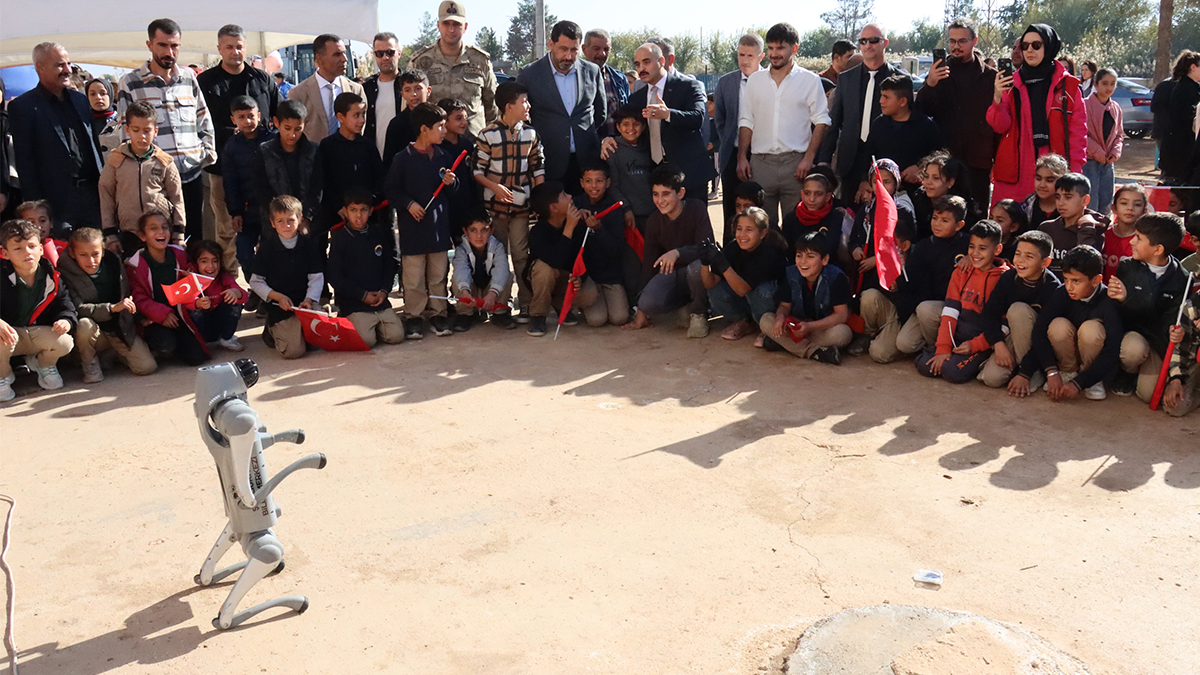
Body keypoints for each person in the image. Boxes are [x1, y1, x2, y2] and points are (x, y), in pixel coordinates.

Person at [116, 19, 217, 239]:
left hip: (191, 176)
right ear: (150, 45)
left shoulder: (189, 78)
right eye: (162, 45)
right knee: (161, 242)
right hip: (157, 182)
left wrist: (207, 154)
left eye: (174, 46)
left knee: (194, 240)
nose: (169, 52)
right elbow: (126, 133)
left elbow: (203, 119)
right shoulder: (131, 82)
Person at [197, 24, 280, 276]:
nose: (235, 52)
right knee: (227, 229)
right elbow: (197, 124)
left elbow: (278, 115)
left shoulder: (262, 79)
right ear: (219, 49)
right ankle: (230, 281)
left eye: (239, 47)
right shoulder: (205, 83)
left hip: (265, 170)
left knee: (269, 228)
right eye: (229, 47)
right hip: (224, 169)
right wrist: (228, 133)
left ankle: (267, 281)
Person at [856, 193, 969, 363]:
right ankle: (875, 335)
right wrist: (897, 282)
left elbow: (990, 252)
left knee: (920, 320)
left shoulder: (968, 245)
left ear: (959, 225)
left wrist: (970, 257)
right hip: (915, 308)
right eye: (935, 218)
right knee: (889, 349)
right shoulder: (923, 248)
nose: (937, 224)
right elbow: (912, 288)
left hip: (948, 307)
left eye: (945, 220)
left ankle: (935, 347)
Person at [737, 23, 830, 229]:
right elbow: (746, 121)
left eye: (780, 48)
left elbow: (821, 121)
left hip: (796, 166)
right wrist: (742, 157)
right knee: (762, 229)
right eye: (771, 48)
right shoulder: (755, 81)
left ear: (794, 48)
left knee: (796, 227)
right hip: (760, 165)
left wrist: (808, 159)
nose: (774, 54)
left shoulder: (810, 80)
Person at [9, 42, 105, 230]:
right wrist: (37, 209)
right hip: (56, 202)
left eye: (69, 64)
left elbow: (93, 146)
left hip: (92, 196)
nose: (67, 70)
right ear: (40, 67)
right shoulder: (23, 107)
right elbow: (25, 162)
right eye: (60, 65)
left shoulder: (80, 100)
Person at [987, 24, 1086, 206]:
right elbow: (999, 126)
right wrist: (998, 98)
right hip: (1016, 170)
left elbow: (1078, 134)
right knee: (1009, 220)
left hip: (1054, 171)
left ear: (1049, 46)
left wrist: (1074, 175)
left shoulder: (1068, 86)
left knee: (1052, 220)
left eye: (1036, 45)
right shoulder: (1011, 83)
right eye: (1025, 46)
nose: (1029, 50)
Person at [384, 102, 458, 339]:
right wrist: (409, 204)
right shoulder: (402, 159)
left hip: (438, 230)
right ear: (424, 129)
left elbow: (454, 191)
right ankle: (413, 316)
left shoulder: (444, 156)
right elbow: (392, 190)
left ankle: (438, 313)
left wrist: (451, 183)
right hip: (413, 231)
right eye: (440, 126)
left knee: (438, 276)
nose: (444, 131)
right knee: (413, 278)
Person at [474, 81, 546, 320]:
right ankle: (500, 305)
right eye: (524, 101)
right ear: (508, 106)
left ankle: (525, 302)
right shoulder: (487, 135)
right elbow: (477, 171)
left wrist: (539, 199)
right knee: (498, 256)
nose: (528, 106)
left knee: (521, 254)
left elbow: (537, 167)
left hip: (521, 207)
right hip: (494, 209)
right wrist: (495, 187)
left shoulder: (531, 134)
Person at [914, 18, 998, 211]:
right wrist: (931, 84)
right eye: (952, 41)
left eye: (962, 41)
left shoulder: (990, 77)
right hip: (945, 162)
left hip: (978, 162)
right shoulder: (939, 74)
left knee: (976, 215)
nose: (956, 46)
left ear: (974, 41)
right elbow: (921, 112)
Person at [817, 23, 908, 199]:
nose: (867, 45)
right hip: (849, 163)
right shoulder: (846, 78)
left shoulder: (900, 79)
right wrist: (824, 160)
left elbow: (906, 124)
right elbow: (834, 122)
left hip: (885, 163)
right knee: (848, 213)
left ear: (885, 43)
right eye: (863, 41)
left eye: (873, 40)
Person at [612, 43, 713, 198]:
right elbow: (630, 129)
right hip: (654, 175)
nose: (641, 69)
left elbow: (697, 118)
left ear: (662, 61)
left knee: (693, 214)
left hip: (689, 174)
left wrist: (668, 114)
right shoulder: (636, 98)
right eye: (637, 64)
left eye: (646, 62)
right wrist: (609, 140)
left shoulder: (688, 86)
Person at [1107, 213, 1191, 400]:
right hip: (1131, 336)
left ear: (1158, 249)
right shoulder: (1127, 266)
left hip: (1157, 341)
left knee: (1149, 394)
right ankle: (1127, 372)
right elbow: (1122, 317)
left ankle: (1144, 372)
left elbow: (1171, 318)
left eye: (1138, 238)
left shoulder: (1183, 278)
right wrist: (1122, 301)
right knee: (1133, 350)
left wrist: (1174, 331)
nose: (1131, 242)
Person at [622, 165, 712, 338]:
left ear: (680, 193)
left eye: (666, 194)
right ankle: (683, 307)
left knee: (697, 268)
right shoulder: (654, 221)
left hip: (695, 270)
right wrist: (641, 311)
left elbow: (707, 248)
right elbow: (649, 263)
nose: (660, 200)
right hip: (673, 274)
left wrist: (677, 253)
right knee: (648, 303)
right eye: (655, 194)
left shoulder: (697, 208)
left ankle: (699, 313)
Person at [915, 220, 1010, 383]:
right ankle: (940, 351)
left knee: (952, 372)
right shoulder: (961, 272)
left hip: (984, 340)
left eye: (982, 248)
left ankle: (983, 361)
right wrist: (943, 348)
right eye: (972, 247)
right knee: (925, 366)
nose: (975, 253)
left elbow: (1004, 324)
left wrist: (975, 345)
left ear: (997, 249)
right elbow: (950, 311)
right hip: (958, 337)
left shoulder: (1005, 278)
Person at [58, 227, 157, 382]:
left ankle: (110, 354)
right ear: (72, 253)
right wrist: (111, 308)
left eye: (95, 254)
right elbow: (77, 309)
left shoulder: (114, 264)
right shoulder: (65, 272)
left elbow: (126, 294)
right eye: (83, 255)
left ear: (103, 251)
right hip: (93, 331)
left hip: (117, 328)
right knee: (84, 325)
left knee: (146, 367)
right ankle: (89, 362)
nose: (91, 261)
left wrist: (138, 317)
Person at [1025, 244, 1122, 401]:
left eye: (1076, 281)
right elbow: (1039, 331)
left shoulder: (1108, 302)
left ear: (1096, 280)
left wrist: (1080, 383)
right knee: (1057, 325)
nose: (1069, 287)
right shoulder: (1061, 293)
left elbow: (1112, 349)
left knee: (1091, 329)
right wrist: (1051, 370)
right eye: (1066, 279)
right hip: (1068, 356)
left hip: (1094, 361)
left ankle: (1092, 380)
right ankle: (1066, 372)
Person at [516, 21, 605, 191]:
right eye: (563, 49)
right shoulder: (529, 74)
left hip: (586, 164)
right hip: (548, 164)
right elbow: (521, 119)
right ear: (551, 44)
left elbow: (600, 113)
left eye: (574, 50)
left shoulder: (592, 71)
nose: (569, 56)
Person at [0, 218, 76, 401]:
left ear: (41, 249)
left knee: (65, 342)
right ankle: (4, 375)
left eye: (32, 246)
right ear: (5, 253)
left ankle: (43, 365)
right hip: (8, 336)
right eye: (18, 248)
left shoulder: (52, 276)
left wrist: (65, 320)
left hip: (36, 332)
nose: (27, 252)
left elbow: (66, 305)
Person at [99, 101, 185, 256]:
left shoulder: (164, 162)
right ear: (127, 130)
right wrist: (110, 233)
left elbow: (177, 197)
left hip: (160, 232)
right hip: (129, 232)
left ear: (155, 131)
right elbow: (106, 195)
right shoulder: (116, 160)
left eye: (147, 130)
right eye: (136, 130)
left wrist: (179, 232)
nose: (142, 136)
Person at [978, 230, 1061, 389]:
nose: (1020, 260)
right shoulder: (1008, 278)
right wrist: (998, 344)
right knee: (992, 379)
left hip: (1040, 346)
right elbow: (989, 314)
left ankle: (1032, 372)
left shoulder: (1053, 288)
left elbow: (1043, 335)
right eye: (1018, 254)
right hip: (1012, 335)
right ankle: (1015, 367)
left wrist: (1026, 373)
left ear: (1045, 262)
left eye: (1029, 256)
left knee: (1017, 310)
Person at [125, 210, 208, 366]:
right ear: (142, 236)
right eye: (153, 228)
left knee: (197, 358)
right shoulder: (136, 265)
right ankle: (158, 347)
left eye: (164, 227)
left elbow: (190, 277)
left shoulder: (179, 255)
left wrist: (190, 274)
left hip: (180, 314)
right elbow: (139, 298)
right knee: (166, 345)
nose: (161, 232)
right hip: (153, 319)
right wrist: (163, 315)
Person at [759, 229, 852, 364]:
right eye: (799, 256)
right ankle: (815, 351)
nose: (803, 262)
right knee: (766, 320)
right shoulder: (791, 274)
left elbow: (841, 315)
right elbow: (785, 306)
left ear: (824, 260)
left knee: (843, 334)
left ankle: (786, 344)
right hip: (797, 325)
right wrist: (780, 318)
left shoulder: (836, 277)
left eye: (810, 256)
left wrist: (809, 327)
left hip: (821, 327)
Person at [248, 196, 325, 359]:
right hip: (279, 306)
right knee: (294, 351)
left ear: (300, 219)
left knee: (318, 343)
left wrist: (309, 300)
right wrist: (277, 297)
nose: (286, 225)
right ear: (272, 222)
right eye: (280, 221)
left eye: (291, 220)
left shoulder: (309, 246)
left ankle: (304, 324)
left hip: (305, 303)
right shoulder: (267, 248)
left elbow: (316, 277)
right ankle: (271, 330)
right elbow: (256, 281)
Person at [408, 0, 499, 137]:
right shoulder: (421, 62)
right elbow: (410, 106)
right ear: (438, 25)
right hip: (435, 143)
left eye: (456, 24)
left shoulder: (480, 60)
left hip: (473, 141)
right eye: (446, 23)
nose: (451, 30)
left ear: (465, 27)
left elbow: (491, 104)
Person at [327, 187, 404, 347]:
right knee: (366, 341)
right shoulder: (340, 238)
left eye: (363, 210)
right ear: (345, 212)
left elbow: (388, 265)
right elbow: (335, 276)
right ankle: (349, 320)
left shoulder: (378, 233)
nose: (358, 215)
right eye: (353, 210)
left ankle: (374, 325)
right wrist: (362, 295)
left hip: (379, 299)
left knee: (396, 336)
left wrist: (384, 291)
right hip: (354, 302)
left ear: (370, 211)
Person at [702, 207, 789, 342]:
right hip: (748, 300)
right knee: (716, 289)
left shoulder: (770, 253)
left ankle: (765, 326)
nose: (742, 235)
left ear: (762, 233)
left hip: (773, 305)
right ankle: (744, 321)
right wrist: (705, 263)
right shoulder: (733, 247)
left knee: (760, 290)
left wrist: (723, 264)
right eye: (739, 229)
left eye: (749, 230)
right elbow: (710, 283)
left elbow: (743, 289)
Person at [524, 181, 600, 336]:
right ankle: (538, 315)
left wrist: (579, 277)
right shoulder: (537, 232)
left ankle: (560, 306)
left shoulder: (577, 224)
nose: (570, 197)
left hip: (566, 278)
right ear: (554, 207)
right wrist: (568, 229)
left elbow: (584, 256)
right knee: (544, 270)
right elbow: (555, 261)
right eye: (564, 195)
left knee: (590, 293)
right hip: (543, 279)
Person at [221, 95, 276, 295]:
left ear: (259, 116)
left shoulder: (273, 139)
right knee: (244, 252)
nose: (247, 121)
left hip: (272, 209)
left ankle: (271, 291)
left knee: (271, 252)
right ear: (233, 119)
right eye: (241, 117)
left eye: (251, 116)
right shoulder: (232, 147)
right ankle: (256, 290)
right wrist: (235, 212)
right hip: (247, 211)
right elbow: (230, 182)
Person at [714, 33, 764, 232]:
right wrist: (731, 143)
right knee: (732, 210)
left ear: (761, 56)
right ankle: (730, 248)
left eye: (750, 55)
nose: (744, 60)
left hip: (763, 154)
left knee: (761, 208)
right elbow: (720, 119)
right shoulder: (726, 83)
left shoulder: (771, 81)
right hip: (732, 155)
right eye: (741, 55)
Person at [316, 92, 383, 242]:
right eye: (356, 115)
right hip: (337, 216)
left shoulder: (368, 146)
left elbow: (379, 177)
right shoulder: (327, 146)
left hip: (366, 217)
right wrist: (339, 207)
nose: (362, 120)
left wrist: (368, 205)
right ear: (340, 117)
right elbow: (322, 181)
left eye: (363, 115)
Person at [864, 75, 945, 195]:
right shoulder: (879, 124)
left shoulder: (926, 126)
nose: (881, 101)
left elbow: (941, 156)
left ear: (902, 101)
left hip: (918, 194)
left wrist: (920, 167)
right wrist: (865, 181)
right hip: (884, 193)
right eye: (881, 96)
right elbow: (867, 156)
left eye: (886, 97)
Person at [573, 163, 631, 327]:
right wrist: (575, 220)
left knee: (619, 318)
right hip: (587, 276)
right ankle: (584, 301)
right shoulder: (575, 204)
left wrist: (599, 229)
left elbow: (616, 250)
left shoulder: (614, 208)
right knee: (596, 320)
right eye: (588, 181)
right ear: (581, 183)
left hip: (609, 275)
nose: (593, 186)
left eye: (599, 181)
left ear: (608, 183)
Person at [252, 100, 322, 232]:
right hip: (275, 222)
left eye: (298, 129)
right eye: (287, 128)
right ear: (276, 122)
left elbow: (317, 188)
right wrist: (280, 216)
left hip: (306, 222)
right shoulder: (264, 152)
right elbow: (261, 188)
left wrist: (306, 217)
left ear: (305, 124)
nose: (292, 135)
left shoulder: (313, 151)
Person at [287, 34, 365, 143]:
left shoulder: (356, 90)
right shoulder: (299, 93)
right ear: (319, 58)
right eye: (337, 54)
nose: (344, 59)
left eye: (344, 53)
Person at [450, 212, 515, 331]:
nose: (479, 236)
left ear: (491, 231)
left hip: (490, 293)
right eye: (473, 230)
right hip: (472, 293)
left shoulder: (497, 247)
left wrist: (492, 294)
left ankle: (499, 312)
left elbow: (501, 270)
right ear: (465, 231)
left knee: (507, 274)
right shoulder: (461, 249)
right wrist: (465, 293)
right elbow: (461, 271)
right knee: (457, 279)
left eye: (484, 230)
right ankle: (465, 313)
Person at [184, 238, 247, 351]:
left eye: (215, 261)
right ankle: (199, 341)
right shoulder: (190, 278)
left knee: (235, 302)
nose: (211, 266)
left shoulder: (224, 277)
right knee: (193, 311)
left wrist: (235, 293)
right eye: (204, 261)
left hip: (219, 323)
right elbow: (185, 301)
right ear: (195, 262)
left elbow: (244, 295)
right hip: (201, 325)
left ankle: (226, 338)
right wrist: (197, 303)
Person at [439, 97, 482, 244]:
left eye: (465, 118)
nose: (464, 123)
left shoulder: (467, 145)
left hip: (466, 206)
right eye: (458, 119)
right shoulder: (437, 148)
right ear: (444, 121)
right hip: (445, 209)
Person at [605, 104, 655, 232]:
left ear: (643, 126)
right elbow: (612, 186)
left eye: (636, 124)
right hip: (629, 214)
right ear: (618, 127)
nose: (631, 128)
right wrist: (626, 209)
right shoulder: (612, 150)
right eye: (625, 124)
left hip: (652, 212)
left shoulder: (649, 149)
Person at [1038, 173, 1101, 273]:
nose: (1061, 203)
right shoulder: (1046, 228)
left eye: (1068, 197)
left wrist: (1086, 229)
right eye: (1058, 197)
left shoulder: (1095, 230)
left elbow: (1088, 267)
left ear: (1085, 200)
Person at [1082, 68, 1122, 216]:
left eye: (1112, 84)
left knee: (1106, 203)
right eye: (1105, 83)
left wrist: (1115, 152)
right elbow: (1081, 133)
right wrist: (1097, 151)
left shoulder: (1116, 108)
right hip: (1089, 162)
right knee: (1090, 203)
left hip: (1108, 163)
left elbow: (1119, 135)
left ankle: (1103, 229)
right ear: (1096, 84)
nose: (1109, 88)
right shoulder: (1084, 105)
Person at [780, 172, 842, 256]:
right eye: (807, 193)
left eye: (818, 194)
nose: (812, 199)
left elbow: (831, 248)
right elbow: (786, 250)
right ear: (802, 194)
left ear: (827, 197)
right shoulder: (791, 218)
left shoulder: (835, 217)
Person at [583, 29, 630, 139]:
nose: (602, 54)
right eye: (596, 49)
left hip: (617, 145)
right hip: (588, 145)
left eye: (606, 49)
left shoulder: (619, 79)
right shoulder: (573, 78)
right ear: (584, 49)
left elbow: (628, 114)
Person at [363, 32, 404, 159]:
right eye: (379, 53)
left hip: (403, 157)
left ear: (399, 53)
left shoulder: (409, 85)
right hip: (373, 158)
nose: (385, 57)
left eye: (390, 52)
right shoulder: (366, 88)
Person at [382, 70, 432, 168]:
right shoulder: (397, 124)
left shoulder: (438, 119)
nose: (414, 94)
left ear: (428, 91)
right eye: (408, 90)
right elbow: (390, 161)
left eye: (418, 88)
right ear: (402, 94)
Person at [1163, 286, 1200, 417]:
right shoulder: (1192, 306)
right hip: (1196, 364)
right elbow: (1180, 349)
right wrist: (1176, 380)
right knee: (1175, 406)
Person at [1102, 184, 1148, 281]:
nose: (1130, 208)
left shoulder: (1147, 241)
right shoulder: (1102, 235)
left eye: (1137, 204)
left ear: (1144, 211)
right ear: (1114, 208)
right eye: (1124, 203)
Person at [1022, 153, 1069, 227]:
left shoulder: (1069, 209)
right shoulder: (1026, 208)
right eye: (1038, 179)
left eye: (1049, 180)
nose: (1042, 185)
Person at [86, 78, 121, 153]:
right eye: (92, 94)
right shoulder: (84, 122)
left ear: (110, 94)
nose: (98, 97)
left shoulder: (121, 120)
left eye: (103, 93)